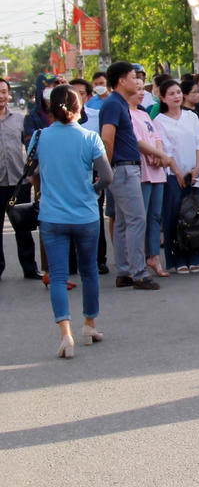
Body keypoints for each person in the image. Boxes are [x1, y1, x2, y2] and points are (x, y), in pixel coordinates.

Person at [33, 84, 112, 358]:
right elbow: (107, 177)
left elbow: (32, 171)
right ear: (79, 107)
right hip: (86, 214)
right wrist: (92, 189)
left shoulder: (39, 137)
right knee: (89, 271)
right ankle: (89, 325)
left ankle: (66, 335)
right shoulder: (90, 138)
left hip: (52, 215)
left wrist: (45, 185)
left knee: (57, 276)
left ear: (49, 110)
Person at [99, 61, 159, 290]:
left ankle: (125, 270)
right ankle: (139, 273)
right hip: (122, 167)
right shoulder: (114, 104)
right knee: (136, 219)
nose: (138, 81)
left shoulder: (118, 103)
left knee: (124, 221)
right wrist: (108, 167)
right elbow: (107, 138)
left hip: (123, 167)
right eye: (134, 77)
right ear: (122, 81)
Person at [154, 79, 199, 274]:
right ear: (163, 98)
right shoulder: (159, 121)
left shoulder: (191, 117)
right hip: (172, 175)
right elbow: (165, 150)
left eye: (178, 92)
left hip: (194, 173)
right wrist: (177, 172)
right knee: (173, 217)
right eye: (171, 94)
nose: (176, 96)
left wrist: (196, 169)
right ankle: (177, 259)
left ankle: (196, 257)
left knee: (196, 216)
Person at [0, 76, 41, 279]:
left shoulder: (19, 119)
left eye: (4, 92)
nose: (2, 96)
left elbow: (30, 148)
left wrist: (32, 173)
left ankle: (30, 268)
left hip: (18, 182)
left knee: (23, 228)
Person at [128, 89, 171, 278]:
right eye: (136, 90)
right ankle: (136, 261)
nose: (140, 93)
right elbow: (135, 141)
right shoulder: (126, 113)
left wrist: (158, 152)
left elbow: (156, 137)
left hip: (156, 169)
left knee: (155, 216)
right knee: (141, 217)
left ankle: (154, 255)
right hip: (142, 169)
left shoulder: (144, 113)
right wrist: (154, 154)